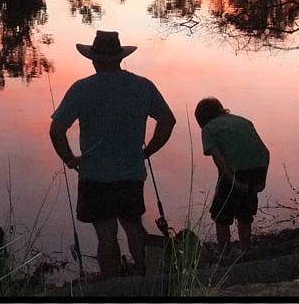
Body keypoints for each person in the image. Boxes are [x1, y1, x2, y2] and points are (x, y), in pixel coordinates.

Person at [49, 30, 176, 278]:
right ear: (120, 58)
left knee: (105, 234)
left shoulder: (81, 89)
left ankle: (110, 282)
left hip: (94, 175)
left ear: (94, 60)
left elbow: (56, 130)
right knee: (133, 226)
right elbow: (167, 121)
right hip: (131, 172)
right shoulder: (143, 86)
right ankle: (142, 274)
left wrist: (69, 159)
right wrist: (148, 150)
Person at [194, 97, 270, 254]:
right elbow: (265, 152)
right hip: (257, 169)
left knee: (221, 217)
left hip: (235, 172)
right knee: (245, 214)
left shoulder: (208, 129)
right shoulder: (244, 121)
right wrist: (262, 180)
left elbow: (219, 161)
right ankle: (245, 251)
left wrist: (234, 182)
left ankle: (224, 253)